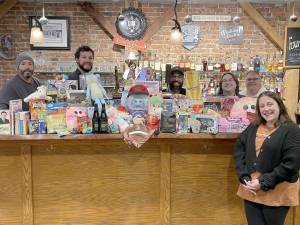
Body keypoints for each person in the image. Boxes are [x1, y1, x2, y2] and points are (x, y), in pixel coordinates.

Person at [234, 91, 300, 225]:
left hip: (277, 190)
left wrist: (263, 182)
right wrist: (244, 175)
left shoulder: (292, 130)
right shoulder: (254, 126)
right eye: (262, 106)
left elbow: (291, 165)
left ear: (280, 106)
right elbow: (239, 147)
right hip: (252, 190)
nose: (266, 109)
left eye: (270, 104)